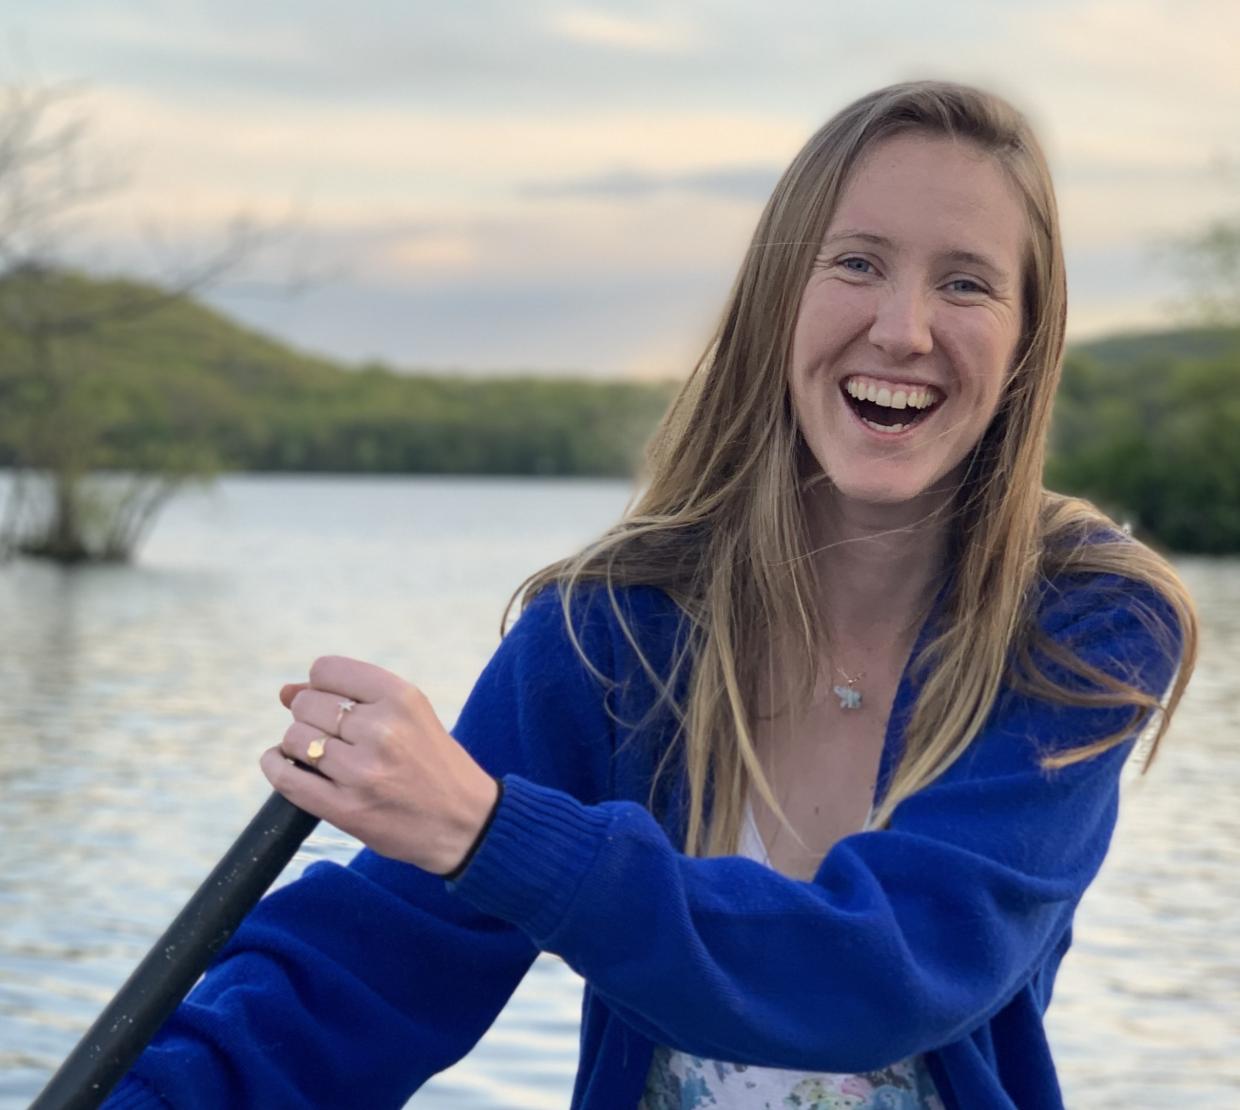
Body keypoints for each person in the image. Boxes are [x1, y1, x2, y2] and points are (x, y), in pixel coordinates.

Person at [103, 80, 1197, 1110]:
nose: (903, 328)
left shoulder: (1083, 629)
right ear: (779, 298)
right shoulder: (615, 631)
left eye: (965, 281)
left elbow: (882, 972)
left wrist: (490, 829)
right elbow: (374, 965)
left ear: (1023, 340)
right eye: (856, 263)